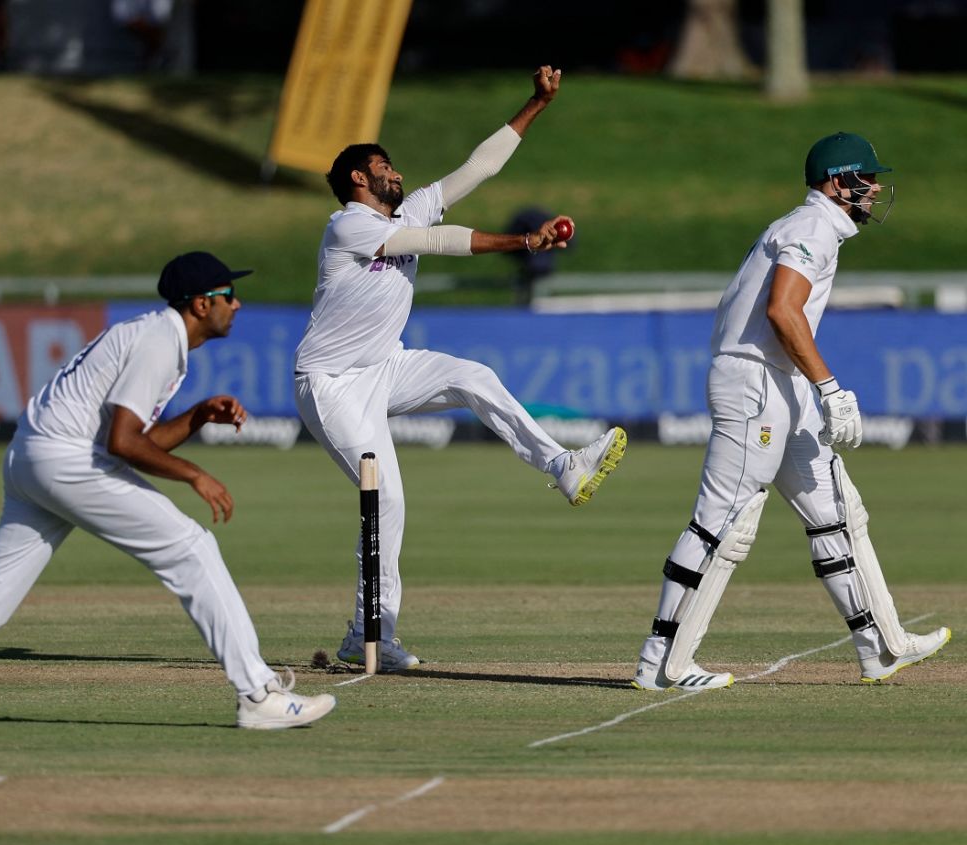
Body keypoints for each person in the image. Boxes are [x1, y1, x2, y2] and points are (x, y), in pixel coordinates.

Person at [0, 252, 336, 732]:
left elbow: (136, 437)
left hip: (34, 458)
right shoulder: (158, 340)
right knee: (192, 547)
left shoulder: (157, 336)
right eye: (227, 296)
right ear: (201, 304)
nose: (237, 304)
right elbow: (124, 443)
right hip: (64, 460)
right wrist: (194, 474)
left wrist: (196, 416)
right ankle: (257, 693)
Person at [293, 66, 628, 672]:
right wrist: (524, 244)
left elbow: (479, 168)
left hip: (385, 366)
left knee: (471, 375)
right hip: (331, 382)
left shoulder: (403, 213)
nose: (395, 172)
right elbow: (440, 242)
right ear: (356, 179)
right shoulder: (348, 225)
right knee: (387, 497)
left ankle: (563, 466)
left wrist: (536, 104)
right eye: (384, 166)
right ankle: (370, 633)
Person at [631, 131, 951, 692]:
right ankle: (662, 663)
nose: (876, 188)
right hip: (755, 380)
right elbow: (783, 310)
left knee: (838, 513)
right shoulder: (811, 228)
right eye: (866, 178)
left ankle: (881, 646)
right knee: (725, 523)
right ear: (837, 182)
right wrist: (830, 386)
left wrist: (812, 390)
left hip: (779, 383)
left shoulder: (815, 227)